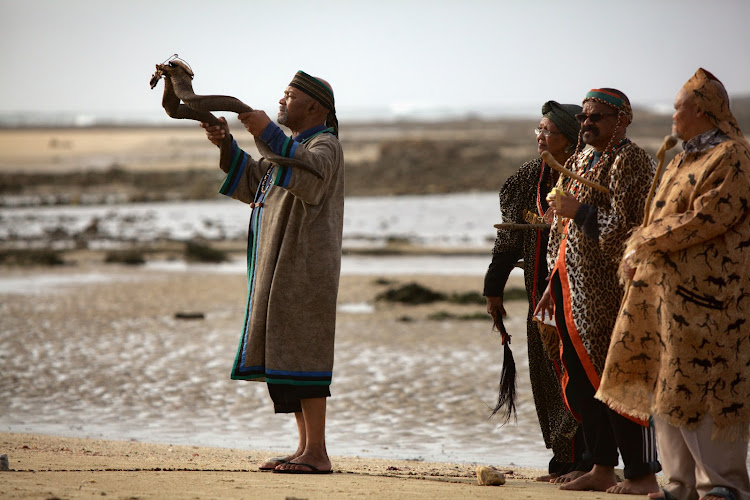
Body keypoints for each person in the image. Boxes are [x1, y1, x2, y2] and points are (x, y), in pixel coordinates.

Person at [597, 69, 750, 500]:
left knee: (709, 388)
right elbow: (659, 217)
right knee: (667, 385)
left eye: (678, 106)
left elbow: (709, 217)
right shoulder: (684, 155)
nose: (672, 114)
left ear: (700, 110)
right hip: (663, 297)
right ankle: (680, 485)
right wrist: (637, 253)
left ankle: (724, 486)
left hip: (712, 299)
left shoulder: (732, 156)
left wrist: (642, 240)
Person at [201, 71, 344, 474]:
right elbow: (256, 183)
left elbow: (309, 176)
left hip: (306, 269)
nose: (281, 102)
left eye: (289, 95)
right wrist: (226, 142)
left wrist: (265, 129)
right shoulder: (294, 147)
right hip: (280, 268)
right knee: (287, 354)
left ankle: (317, 452)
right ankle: (304, 448)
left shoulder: (325, 145)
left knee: (305, 355)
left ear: (314, 107)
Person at [534, 88, 661, 494]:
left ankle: (643, 475)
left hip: (613, 293)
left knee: (622, 380)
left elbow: (632, 229)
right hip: (573, 290)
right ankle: (602, 467)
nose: (587, 123)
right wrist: (553, 284)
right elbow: (561, 228)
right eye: (584, 116)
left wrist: (581, 212)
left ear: (620, 121)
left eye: (597, 118)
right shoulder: (580, 158)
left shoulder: (631, 160)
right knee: (585, 384)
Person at [484, 100, 589, 482]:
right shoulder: (529, 176)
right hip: (538, 295)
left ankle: (588, 461)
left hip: (579, 295)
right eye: (539, 129)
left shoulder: (583, 177)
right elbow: (509, 238)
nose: (542, 137)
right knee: (546, 377)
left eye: (550, 132)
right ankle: (563, 460)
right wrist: (493, 289)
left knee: (576, 373)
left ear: (571, 139)